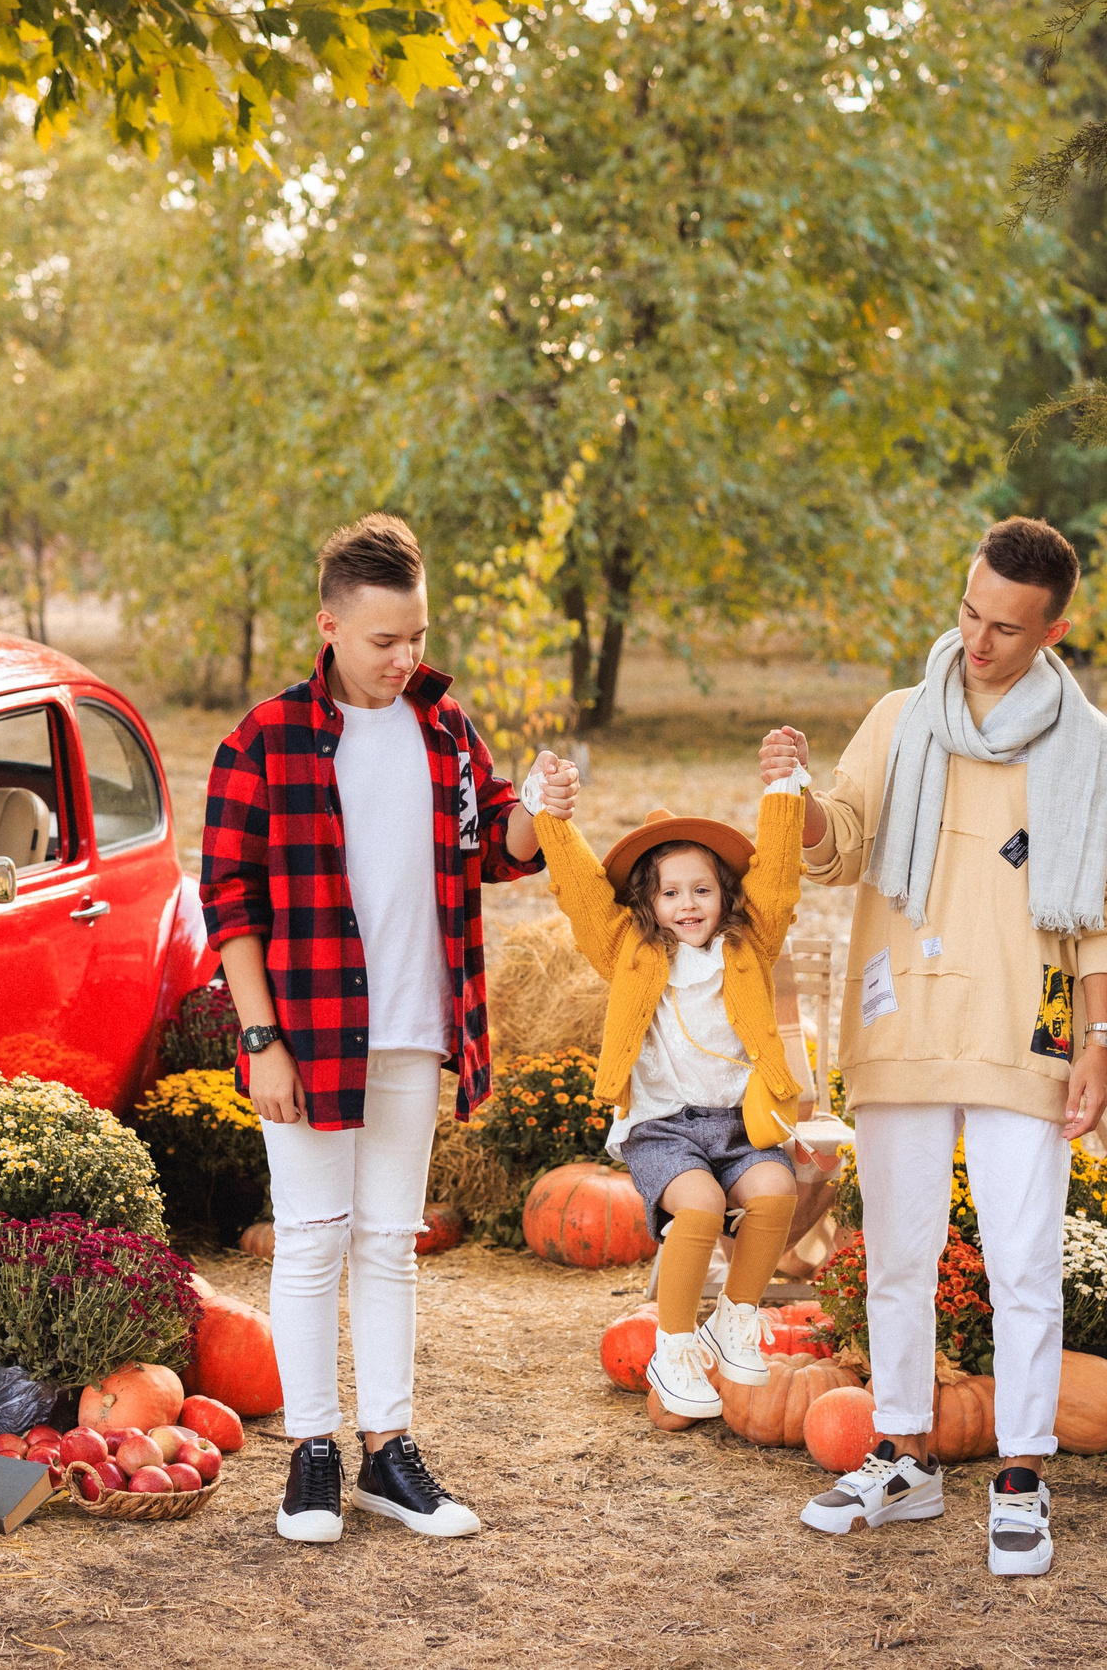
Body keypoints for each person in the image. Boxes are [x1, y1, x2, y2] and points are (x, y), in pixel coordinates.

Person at [788, 517, 1107, 1578]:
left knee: (1025, 1260)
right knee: (894, 1251)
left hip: (1020, 1024)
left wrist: (1098, 1039)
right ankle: (900, 1454)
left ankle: (1023, 1470)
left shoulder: (1083, 747)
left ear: (1053, 629)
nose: (977, 641)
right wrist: (797, 804)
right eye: (968, 614)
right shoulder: (901, 720)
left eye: (1004, 628)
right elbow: (839, 846)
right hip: (904, 1019)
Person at [200, 512, 548, 1544]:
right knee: (311, 1240)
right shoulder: (263, 740)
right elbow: (228, 902)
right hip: (305, 1034)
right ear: (331, 626)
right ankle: (312, 1453)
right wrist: (262, 1041)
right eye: (385, 640)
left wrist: (542, 804)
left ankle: (386, 1453)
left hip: (411, 1025)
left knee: (389, 1244)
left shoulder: (446, 732)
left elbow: (502, 849)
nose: (407, 659)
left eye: (418, 637)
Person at [521, 740, 820, 1419]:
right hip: (663, 1128)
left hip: (740, 1124)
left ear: (724, 895)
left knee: (774, 1194)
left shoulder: (750, 945)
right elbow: (580, 891)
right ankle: (675, 1343)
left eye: (703, 890)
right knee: (703, 1207)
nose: (688, 905)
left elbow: (778, 877)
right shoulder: (627, 950)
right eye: (671, 893)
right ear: (648, 901)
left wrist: (783, 790)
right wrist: (550, 816)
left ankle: (735, 1318)